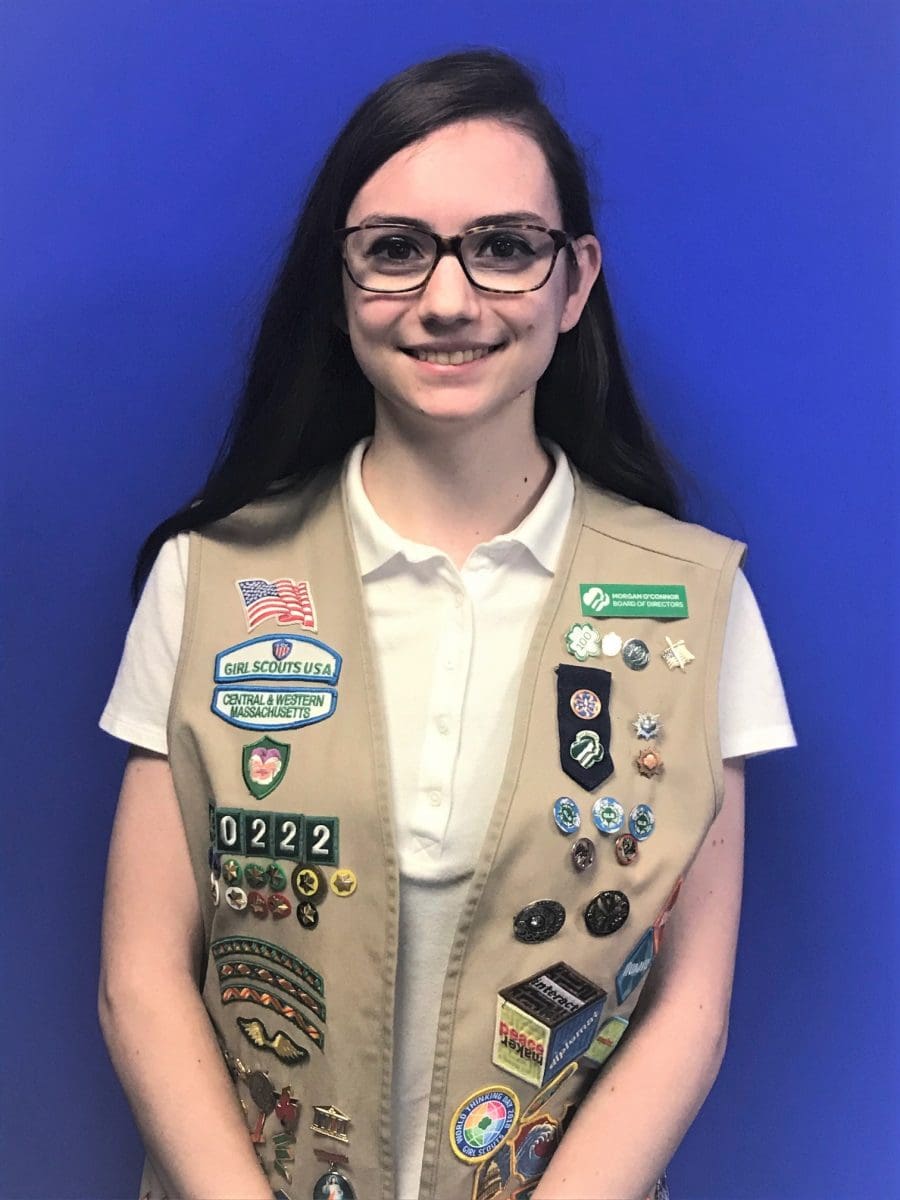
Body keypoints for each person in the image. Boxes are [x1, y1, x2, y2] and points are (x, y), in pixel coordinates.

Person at [97, 47, 795, 1200]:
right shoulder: (208, 580)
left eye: (505, 247)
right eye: (395, 250)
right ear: (340, 285)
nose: (449, 299)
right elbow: (139, 980)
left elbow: (689, 1012)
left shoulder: (696, 603)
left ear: (574, 283)